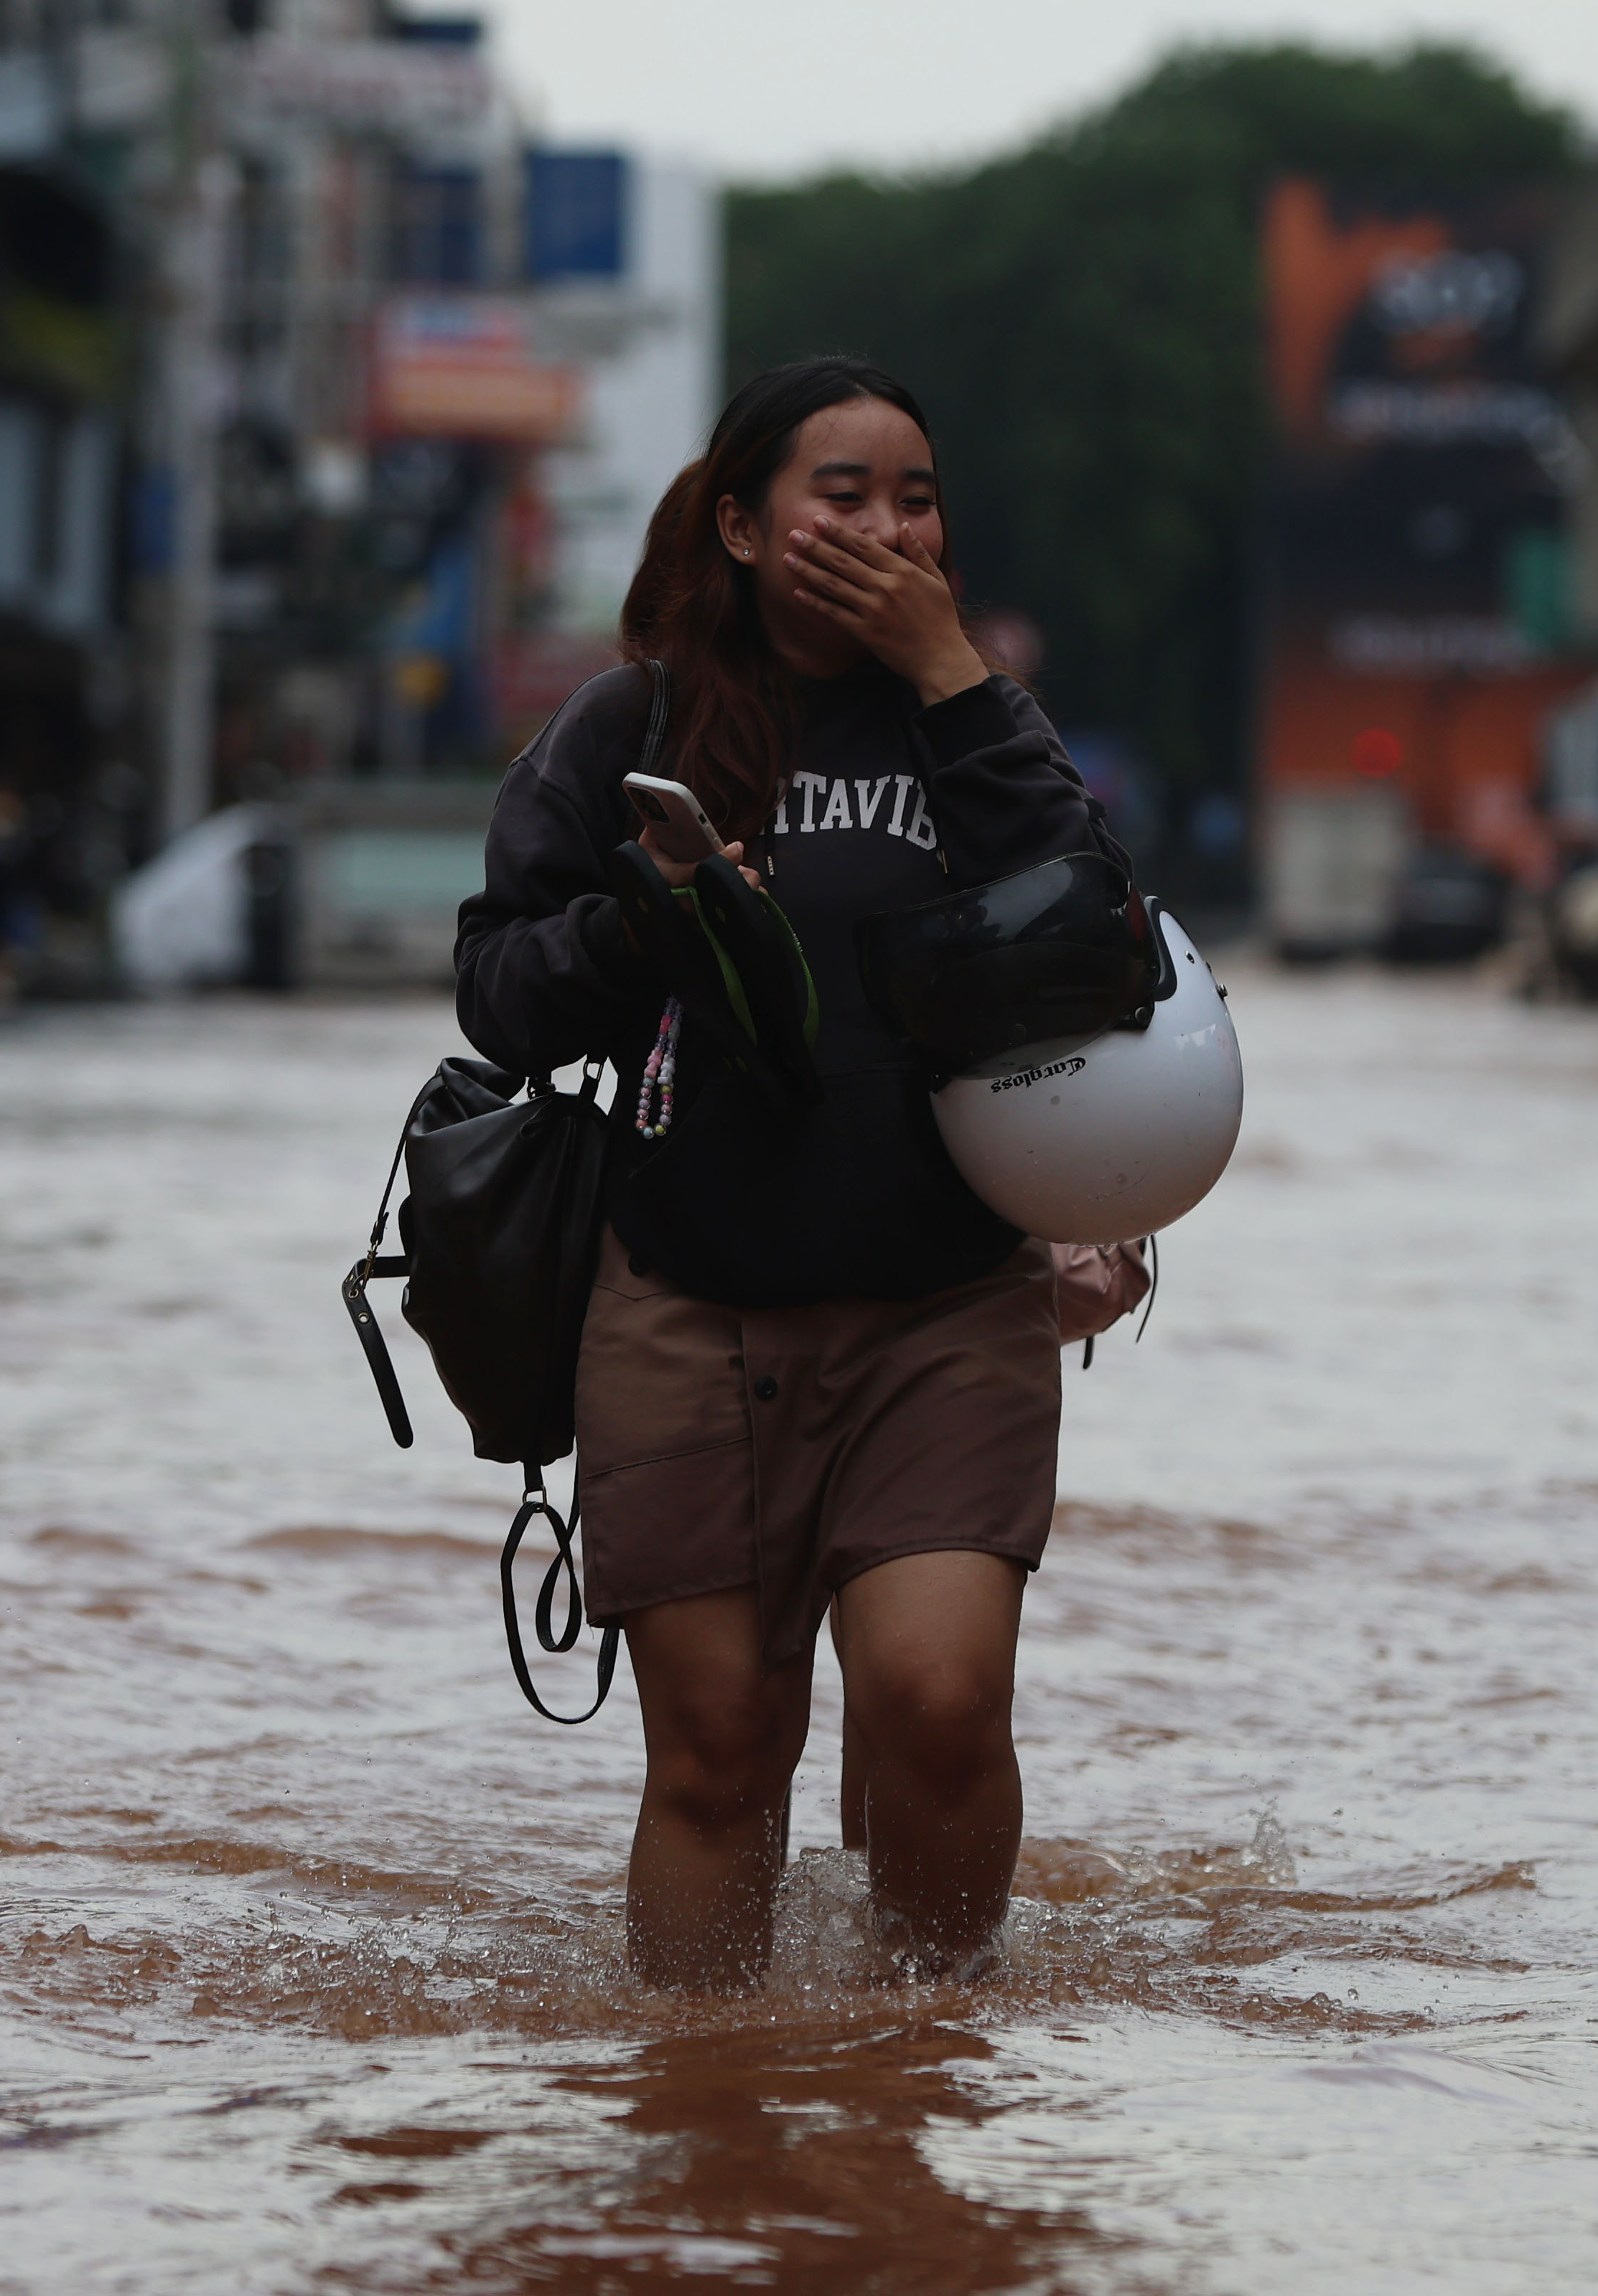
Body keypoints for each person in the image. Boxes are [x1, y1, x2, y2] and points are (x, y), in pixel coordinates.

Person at [452, 357, 1108, 1990]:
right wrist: (642, 924)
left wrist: (952, 672)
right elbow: (495, 990)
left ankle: (931, 2069)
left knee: (940, 1704)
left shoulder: (977, 726)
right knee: (714, 1754)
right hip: (682, 1304)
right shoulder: (638, 721)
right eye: (845, 495)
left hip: (948, 1309)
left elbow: (1094, 958)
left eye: (918, 498)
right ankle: (703, 2137)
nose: (888, 528)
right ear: (743, 524)